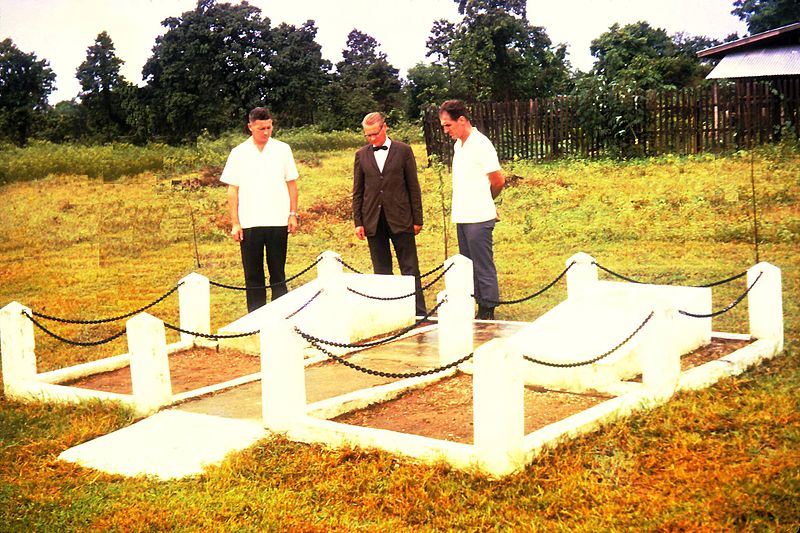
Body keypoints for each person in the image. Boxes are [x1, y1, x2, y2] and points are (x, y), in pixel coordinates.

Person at [221, 107, 299, 313]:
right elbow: (232, 190)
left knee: (277, 273)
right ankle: (255, 319)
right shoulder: (238, 153)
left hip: (278, 221)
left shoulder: (283, 149)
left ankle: (282, 316)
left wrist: (292, 214)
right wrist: (235, 223)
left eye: (269, 127)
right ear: (250, 127)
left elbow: (291, 184)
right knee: (253, 275)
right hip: (249, 222)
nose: (265, 132)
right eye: (261, 128)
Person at [352, 112, 427, 316]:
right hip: (373, 220)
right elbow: (358, 190)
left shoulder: (403, 151)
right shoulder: (361, 154)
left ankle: (418, 312)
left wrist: (417, 218)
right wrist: (358, 221)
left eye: (374, 134)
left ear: (385, 128)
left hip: (401, 217)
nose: (372, 139)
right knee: (381, 271)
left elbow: (413, 186)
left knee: (409, 268)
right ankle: (389, 314)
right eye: (367, 136)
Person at [438, 100, 505, 320]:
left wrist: (487, 202)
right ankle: (476, 303)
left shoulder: (481, 144)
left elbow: (498, 180)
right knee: (467, 264)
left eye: (448, 125)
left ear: (462, 120)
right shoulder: (459, 145)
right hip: (463, 215)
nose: (445, 130)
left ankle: (488, 308)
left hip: (479, 216)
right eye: (443, 126)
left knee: (482, 264)